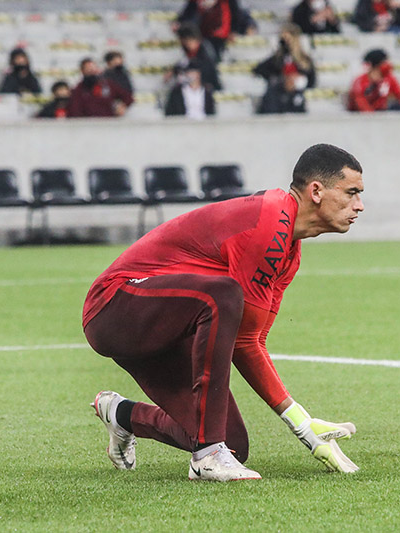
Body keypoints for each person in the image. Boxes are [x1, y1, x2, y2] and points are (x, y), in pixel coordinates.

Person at [85, 144, 364, 481]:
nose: (359, 205)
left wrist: (302, 420)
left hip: (167, 327)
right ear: (316, 191)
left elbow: (249, 340)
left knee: (231, 444)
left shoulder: (290, 250)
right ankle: (207, 458)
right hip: (114, 306)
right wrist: (300, 424)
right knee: (223, 295)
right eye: (351, 193)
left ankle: (122, 415)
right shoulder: (272, 222)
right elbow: (237, 330)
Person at [254, 24, 316, 114]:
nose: (286, 43)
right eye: (283, 39)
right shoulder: (277, 58)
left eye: (288, 39)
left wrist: (297, 80)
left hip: (297, 93)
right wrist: (282, 79)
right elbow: (259, 69)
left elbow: (311, 80)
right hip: (278, 93)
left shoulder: (305, 60)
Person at [175, 0, 258, 60]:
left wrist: (237, 29)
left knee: (209, 57)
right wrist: (179, 23)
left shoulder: (228, 3)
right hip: (200, 35)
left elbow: (238, 13)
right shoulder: (196, 3)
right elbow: (188, 12)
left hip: (218, 36)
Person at [68, 58, 134, 117]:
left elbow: (128, 97)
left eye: (93, 68)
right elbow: (75, 112)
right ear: (82, 71)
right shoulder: (78, 90)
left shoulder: (108, 85)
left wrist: (122, 107)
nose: (92, 71)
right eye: (88, 69)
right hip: (88, 123)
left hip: (108, 122)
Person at [174, 23, 222, 92]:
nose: (187, 44)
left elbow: (209, 70)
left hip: (208, 85)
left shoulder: (206, 51)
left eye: (189, 41)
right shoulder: (185, 50)